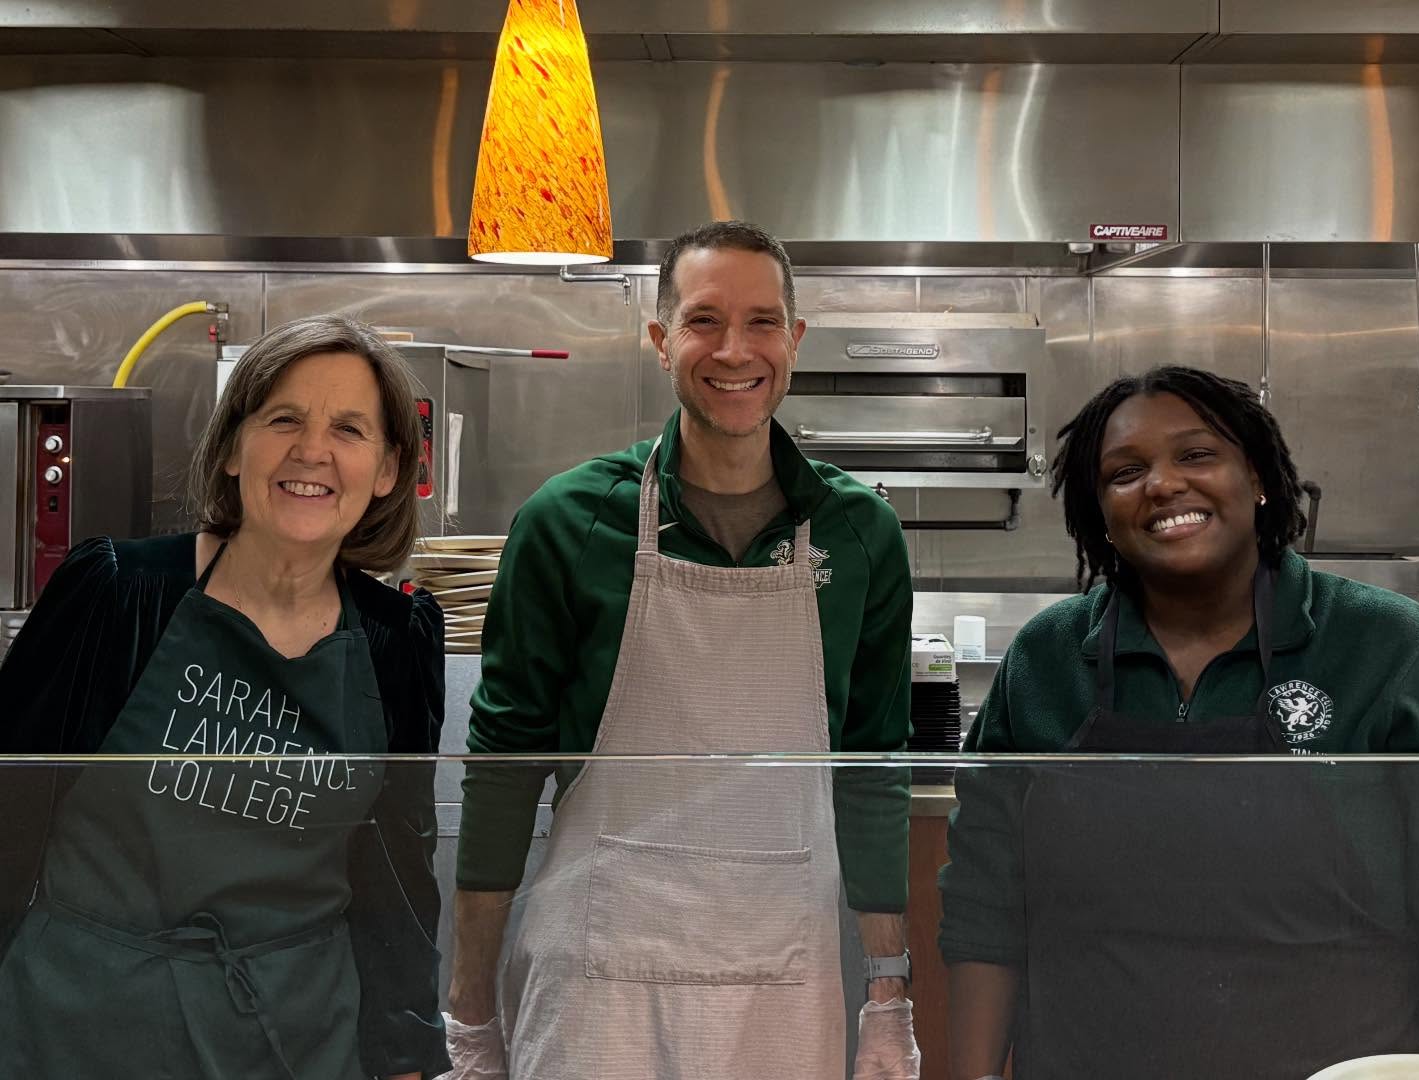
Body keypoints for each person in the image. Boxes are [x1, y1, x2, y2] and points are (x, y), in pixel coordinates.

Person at [444, 221, 919, 1080]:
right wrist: (469, 1007)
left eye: (763, 322)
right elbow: (504, 771)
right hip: (597, 973)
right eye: (703, 321)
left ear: (795, 341)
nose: (735, 350)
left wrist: (890, 996)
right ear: (660, 341)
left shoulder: (862, 537)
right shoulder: (567, 522)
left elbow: (872, 769)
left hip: (784, 977)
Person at [939, 365, 1419, 1080]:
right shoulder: (1048, 659)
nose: (1163, 484)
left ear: (1260, 478)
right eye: (1125, 471)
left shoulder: (1389, 647)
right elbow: (985, 906)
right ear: (1098, 513)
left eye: (1197, 455)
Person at [0, 314, 450, 1080]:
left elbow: (395, 876)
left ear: (388, 471)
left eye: (349, 428)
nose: (312, 451)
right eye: (283, 419)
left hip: (296, 1034)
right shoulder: (119, 592)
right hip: (78, 1021)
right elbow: (6, 814)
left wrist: (406, 1055)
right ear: (236, 446)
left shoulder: (395, 638)